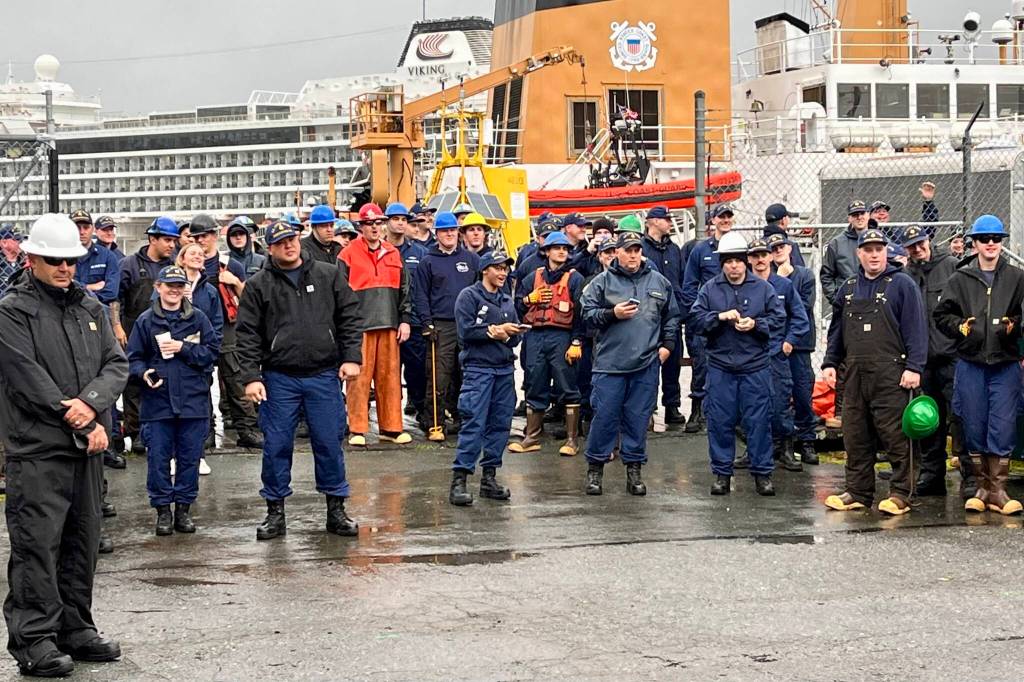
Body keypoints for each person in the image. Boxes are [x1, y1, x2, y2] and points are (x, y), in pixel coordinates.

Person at [0, 213, 127, 677]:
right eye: (54, 260)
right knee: (37, 546)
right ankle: (34, 638)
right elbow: (25, 377)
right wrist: (76, 416)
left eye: (71, 260)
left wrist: (91, 406)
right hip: (37, 449)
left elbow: (116, 365)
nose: (65, 268)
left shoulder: (90, 309)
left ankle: (76, 628)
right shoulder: (12, 310)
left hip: (85, 445)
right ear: (31, 258)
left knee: (82, 541)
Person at [236, 221, 363, 540]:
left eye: (292, 239)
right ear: (270, 248)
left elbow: (349, 316)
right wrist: (251, 377)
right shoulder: (257, 284)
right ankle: (275, 512)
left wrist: (351, 357)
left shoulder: (328, 274)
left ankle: (336, 509)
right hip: (280, 378)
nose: (289, 246)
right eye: (281, 242)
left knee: (329, 443)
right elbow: (247, 334)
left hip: (323, 375)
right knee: (276, 446)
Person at [822, 228, 927, 515]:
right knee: (855, 434)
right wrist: (830, 363)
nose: (873, 254)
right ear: (859, 253)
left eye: (878, 249)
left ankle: (901, 493)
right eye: (868, 250)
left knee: (896, 435)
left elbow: (917, 328)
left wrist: (914, 367)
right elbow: (837, 331)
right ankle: (857, 491)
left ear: (886, 252)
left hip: (893, 373)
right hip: (855, 372)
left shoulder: (902, 284)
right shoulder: (848, 287)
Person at [935, 215, 1024, 516]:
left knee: (1003, 420)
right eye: (984, 239)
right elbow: (941, 315)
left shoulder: (1016, 277)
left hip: (1005, 362)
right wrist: (961, 327)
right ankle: (981, 486)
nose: (991, 244)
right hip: (971, 362)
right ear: (974, 243)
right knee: (972, 419)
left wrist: (1015, 326)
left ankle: (998, 489)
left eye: (996, 239)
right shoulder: (959, 278)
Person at [580, 232, 679, 495]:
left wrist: (667, 346)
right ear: (617, 253)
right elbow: (587, 315)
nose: (633, 254)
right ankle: (595, 470)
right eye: (628, 250)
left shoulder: (659, 281)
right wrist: (613, 313)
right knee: (604, 418)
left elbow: (672, 316)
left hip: (646, 363)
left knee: (638, 420)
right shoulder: (601, 283)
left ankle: (634, 470)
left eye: (637, 250)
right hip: (609, 364)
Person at [127, 265, 220, 535]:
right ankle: (162, 512)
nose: (174, 290)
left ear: (185, 289)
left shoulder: (198, 319)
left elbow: (212, 353)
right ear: (158, 288)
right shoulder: (146, 321)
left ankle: (183, 510)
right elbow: (133, 358)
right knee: (157, 460)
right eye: (169, 285)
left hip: (193, 401)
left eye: (179, 286)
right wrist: (143, 373)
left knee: (189, 460)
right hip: (158, 403)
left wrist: (184, 348)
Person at [691, 232, 784, 497]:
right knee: (720, 421)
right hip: (720, 366)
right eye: (728, 261)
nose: (734, 266)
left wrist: (756, 324)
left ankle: (762, 474)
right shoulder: (709, 289)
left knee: (758, 422)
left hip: (755, 367)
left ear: (746, 262)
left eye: (738, 260)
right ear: (721, 263)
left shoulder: (764, 288)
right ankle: (722, 474)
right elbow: (696, 321)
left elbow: (778, 321)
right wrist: (718, 317)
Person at [448, 252, 524, 506]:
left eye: (504, 269)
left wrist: (511, 334)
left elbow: (514, 337)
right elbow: (466, 331)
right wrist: (493, 332)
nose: (502, 273)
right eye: (497, 268)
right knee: (473, 423)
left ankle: (489, 477)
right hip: (478, 369)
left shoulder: (506, 299)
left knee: (500, 424)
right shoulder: (468, 296)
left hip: (504, 369)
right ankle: (460, 479)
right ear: (484, 270)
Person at [338, 203, 412, 446]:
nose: (375, 228)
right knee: (358, 379)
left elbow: (405, 291)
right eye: (369, 223)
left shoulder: (393, 253)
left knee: (390, 378)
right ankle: (357, 428)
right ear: (361, 227)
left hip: (390, 323)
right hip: (360, 326)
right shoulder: (347, 255)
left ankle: (391, 427)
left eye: (378, 223)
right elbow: (339, 294)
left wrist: (405, 321)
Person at [902, 224, 966, 497]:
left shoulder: (951, 265)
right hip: (922, 360)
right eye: (912, 246)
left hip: (952, 357)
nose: (918, 249)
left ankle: (970, 477)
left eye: (920, 243)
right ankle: (932, 475)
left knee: (960, 417)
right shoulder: (906, 275)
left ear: (929, 241)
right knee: (927, 419)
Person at [189, 213, 262, 449]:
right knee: (200, 382)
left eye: (205, 235)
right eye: (196, 236)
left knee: (236, 380)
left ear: (215, 235)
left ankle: (247, 430)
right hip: (198, 328)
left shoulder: (231, 264)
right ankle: (205, 431)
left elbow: (248, 301)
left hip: (229, 328)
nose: (201, 241)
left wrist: (236, 282)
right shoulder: (187, 263)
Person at [509, 231, 585, 455]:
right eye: (557, 248)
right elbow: (515, 308)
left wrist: (577, 341)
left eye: (565, 249)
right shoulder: (532, 278)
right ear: (546, 251)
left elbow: (581, 313)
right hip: (534, 336)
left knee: (568, 386)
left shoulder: (575, 279)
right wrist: (527, 299)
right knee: (534, 382)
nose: (562, 251)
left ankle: (572, 439)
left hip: (562, 337)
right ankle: (532, 436)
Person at [742, 239, 810, 472]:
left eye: (764, 255)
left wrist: (789, 341)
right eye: (755, 255)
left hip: (776, 354)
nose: (760, 260)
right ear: (748, 259)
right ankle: (753, 450)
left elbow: (801, 319)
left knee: (780, 403)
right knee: (750, 405)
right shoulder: (742, 286)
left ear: (771, 257)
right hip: (749, 356)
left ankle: (786, 448)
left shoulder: (784, 286)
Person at [413, 211, 481, 440]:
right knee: (438, 375)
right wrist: (427, 323)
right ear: (437, 234)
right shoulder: (427, 261)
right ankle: (435, 422)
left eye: (453, 230)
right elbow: (420, 295)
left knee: (466, 374)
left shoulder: (472, 260)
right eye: (445, 231)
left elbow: (480, 290)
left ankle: (463, 418)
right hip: (441, 325)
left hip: (467, 324)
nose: (450, 234)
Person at [114, 217, 179, 453]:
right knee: (134, 382)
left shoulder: (173, 265)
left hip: (164, 332)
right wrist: (117, 327)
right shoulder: (129, 264)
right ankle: (136, 432)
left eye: (174, 240)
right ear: (152, 238)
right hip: (132, 329)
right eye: (167, 240)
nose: (172, 245)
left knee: (161, 380)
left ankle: (158, 431)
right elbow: (116, 297)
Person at [681, 203, 735, 433]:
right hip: (707, 319)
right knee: (701, 365)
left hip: (732, 321)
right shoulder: (700, 250)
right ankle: (696, 410)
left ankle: (725, 413)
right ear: (712, 220)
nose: (725, 220)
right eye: (721, 216)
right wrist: (697, 314)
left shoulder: (738, 247)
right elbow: (689, 284)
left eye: (728, 216)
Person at [819, 199, 871, 430]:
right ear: (849, 218)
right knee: (842, 361)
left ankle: (870, 412)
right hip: (848, 311)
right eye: (855, 214)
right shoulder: (837, 244)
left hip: (874, 310)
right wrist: (837, 300)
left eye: (862, 213)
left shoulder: (878, 241)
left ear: (868, 215)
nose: (859, 217)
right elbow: (826, 275)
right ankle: (841, 412)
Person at [767, 232, 818, 465]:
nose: (778, 250)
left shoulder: (805, 275)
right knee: (774, 396)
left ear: (789, 248)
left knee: (802, 394)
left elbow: (803, 308)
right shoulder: (764, 278)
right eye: (773, 248)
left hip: (798, 344)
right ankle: (777, 443)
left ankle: (807, 441)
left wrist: (785, 281)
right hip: (773, 346)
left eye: (781, 246)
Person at [174, 243, 225, 471]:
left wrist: (210, 351)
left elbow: (217, 324)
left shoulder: (210, 290)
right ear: (182, 258)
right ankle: (173, 456)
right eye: (192, 253)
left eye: (201, 254)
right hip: (173, 354)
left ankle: (198, 455)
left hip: (200, 355)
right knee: (173, 406)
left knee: (201, 406)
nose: (198, 256)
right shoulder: (170, 283)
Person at [640, 205, 686, 426]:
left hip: (672, 313)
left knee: (673, 362)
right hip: (648, 316)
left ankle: (672, 405)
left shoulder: (674, 249)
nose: (669, 222)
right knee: (647, 364)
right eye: (665, 219)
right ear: (652, 221)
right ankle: (648, 408)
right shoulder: (639, 248)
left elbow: (681, 279)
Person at [385, 202, 429, 427]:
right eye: (396, 219)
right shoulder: (379, 250)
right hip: (386, 321)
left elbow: (424, 288)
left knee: (416, 370)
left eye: (404, 220)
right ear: (387, 222)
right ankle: (390, 419)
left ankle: (422, 410)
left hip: (412, 322)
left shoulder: (420, 252)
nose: (401, 223)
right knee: (388, 374)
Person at [70, 209, 120, 306]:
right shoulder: (61, 257)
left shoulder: (108, 256)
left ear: (92, 229)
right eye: (77, 228)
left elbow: (111, 293)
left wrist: (83, 298)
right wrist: (90, 287)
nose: (82, 232)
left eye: (86, 227)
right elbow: (60, 289)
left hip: (98, 314)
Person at [0, 226, 27, 297]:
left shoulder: (25, 261)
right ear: (4, 243)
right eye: (16, 240)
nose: (20, 242)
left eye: (21, 240)